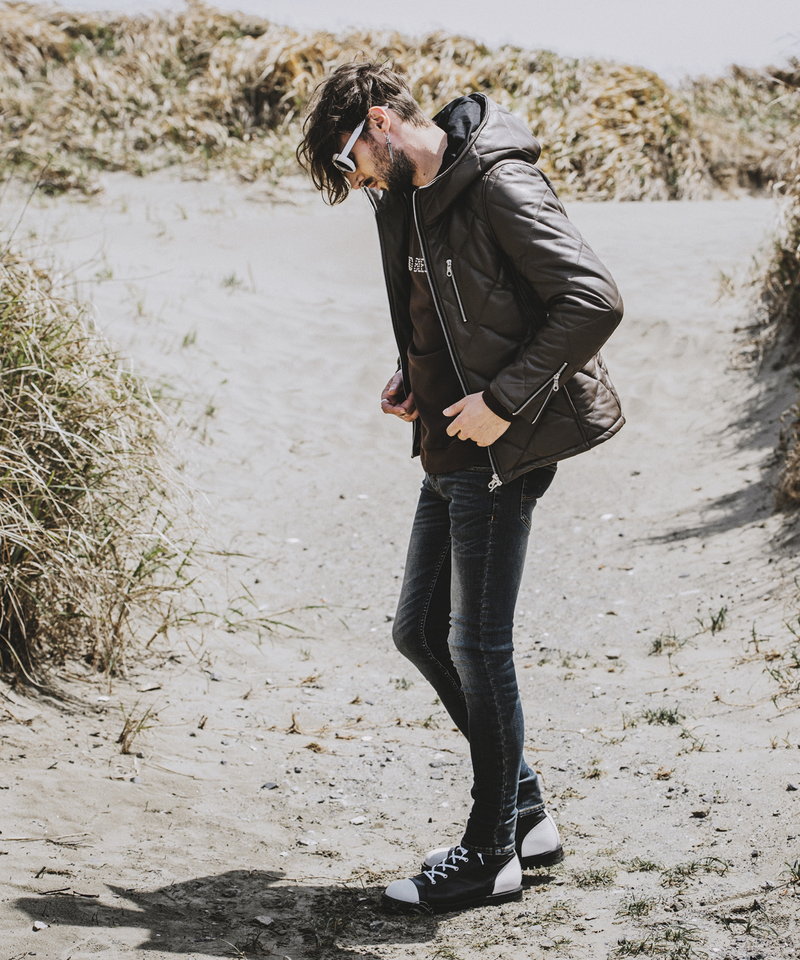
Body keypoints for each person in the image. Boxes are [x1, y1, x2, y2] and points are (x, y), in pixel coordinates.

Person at [297, 61, 624, 914]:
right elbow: (444, 309)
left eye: (348, 161)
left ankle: (488, 856)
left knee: (478, 645)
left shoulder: (497, 183)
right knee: (420, 633)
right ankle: (526, 815)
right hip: (445, 445)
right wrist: (411, 375)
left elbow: (592, 300)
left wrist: (503, 401)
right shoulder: (403, 200)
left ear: (379, 122)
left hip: (499, 447)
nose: (355, 180)